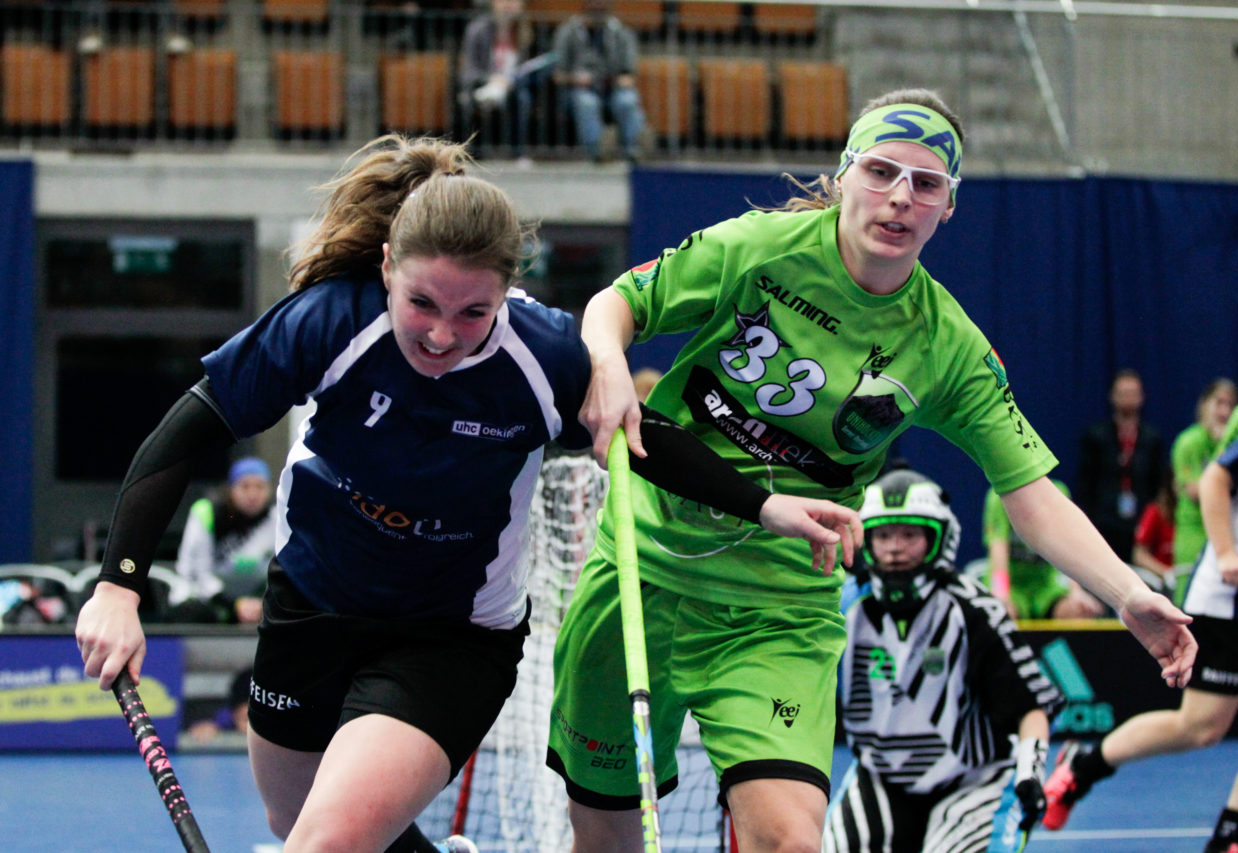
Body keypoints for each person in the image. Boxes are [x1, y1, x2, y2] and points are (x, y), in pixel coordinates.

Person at [73, 134, 858, 853]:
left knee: (324, 843)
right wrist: (117, 586)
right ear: (387, 267)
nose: (443, 335)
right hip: (310, 609)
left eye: (473, 312)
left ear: (507, 295)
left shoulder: (541, 357)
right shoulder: (329, 324)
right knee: (294, 817)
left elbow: (642, 437)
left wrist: (765, 505)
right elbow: (183, 433)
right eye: (422, 303)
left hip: (448, 637)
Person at [548, 87, 1197, 853]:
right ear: (846, 172)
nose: (900, 198)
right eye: (883, 171)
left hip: (780, 608)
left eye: (927, 183)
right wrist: (608, 360)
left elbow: (1030, 494)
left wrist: (1128, 594)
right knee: (607, 843)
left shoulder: (949, 346)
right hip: (642, 571)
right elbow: (615, 303)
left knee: (790, 840)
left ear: (948, 206)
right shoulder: (759, 249)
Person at [1044, 410, 1238, 853]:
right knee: (1201, 727)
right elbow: (1215, 478)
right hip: (1232, 597)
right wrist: (1227, 553)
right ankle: (1083, 767)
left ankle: (1231, 836)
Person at [824, 469, 1062, 853]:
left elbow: (1029, 707)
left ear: (938, 539)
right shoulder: (842, 604)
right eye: (883, 536)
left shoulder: (974, 609)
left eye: (909, 535)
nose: (895, 548)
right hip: (881, 777)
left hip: (974, 780)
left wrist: (1029, 776)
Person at [168, 456, 277, 625]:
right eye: (245, 486)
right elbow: (198, 573)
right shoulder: (206, 512)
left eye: (260, 487)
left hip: (255, 604)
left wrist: (260, 603)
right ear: (232, 489)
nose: (253, 495)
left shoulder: (276, 517)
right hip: (203, 599)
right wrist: (234, 605)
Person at [1076, 369, 1166, 564]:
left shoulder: (1152, 439)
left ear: (1141, 397)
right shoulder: (1096, 436)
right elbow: (1086, 485)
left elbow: (1158, 486)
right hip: (1104, 523)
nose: (1128, 399)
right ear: (1112, 396)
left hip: (1141, 524)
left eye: (1132, 393)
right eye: (1123, 393)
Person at [982, 478, 1105, 620]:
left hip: (1046, 587)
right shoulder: (998, 496)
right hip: (1013, 587)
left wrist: (1075, 591)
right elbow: (998, 551)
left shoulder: (1058, 492)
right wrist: (1001, 593)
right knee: (1002, 613)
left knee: (1078, 611)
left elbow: (1067, 548)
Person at [1170, 378, 1238, 601]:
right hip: (1193, 537)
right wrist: (1223, 448)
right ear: (1204, 405)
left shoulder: (1237, 443)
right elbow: (1196, 492)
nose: (1224, 411)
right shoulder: (1188, 442)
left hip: (1227, 536)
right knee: (1188, 606)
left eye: (1230, 405)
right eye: (1219, 403)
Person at [551, 0, 645, 163]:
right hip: (579, 90)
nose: (598, 4)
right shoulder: (567, 32)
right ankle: (598, 151)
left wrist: (620, 80)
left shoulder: (621, 32)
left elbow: (630, 75)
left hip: (613, 89)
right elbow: (558, 75)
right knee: (587, 102)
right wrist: (576, 78)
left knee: (628, 100)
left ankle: (634, 149)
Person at [458, 0, 540, 161]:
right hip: (481, 85)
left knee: (522, 98)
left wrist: (511, 81)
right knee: (481, 100)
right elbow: (469, 71)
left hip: (513, 87)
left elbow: (528, 67)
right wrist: (491, 78)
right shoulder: (478, 30)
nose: (509, 5)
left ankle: (518, 152)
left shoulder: (526, 32)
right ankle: (475, 152)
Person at [1131, 464, 1177, 592]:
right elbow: (1139, 555)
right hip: (1162, 586)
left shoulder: (1202, 513)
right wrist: (1165, 573)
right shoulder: (1155, 511)